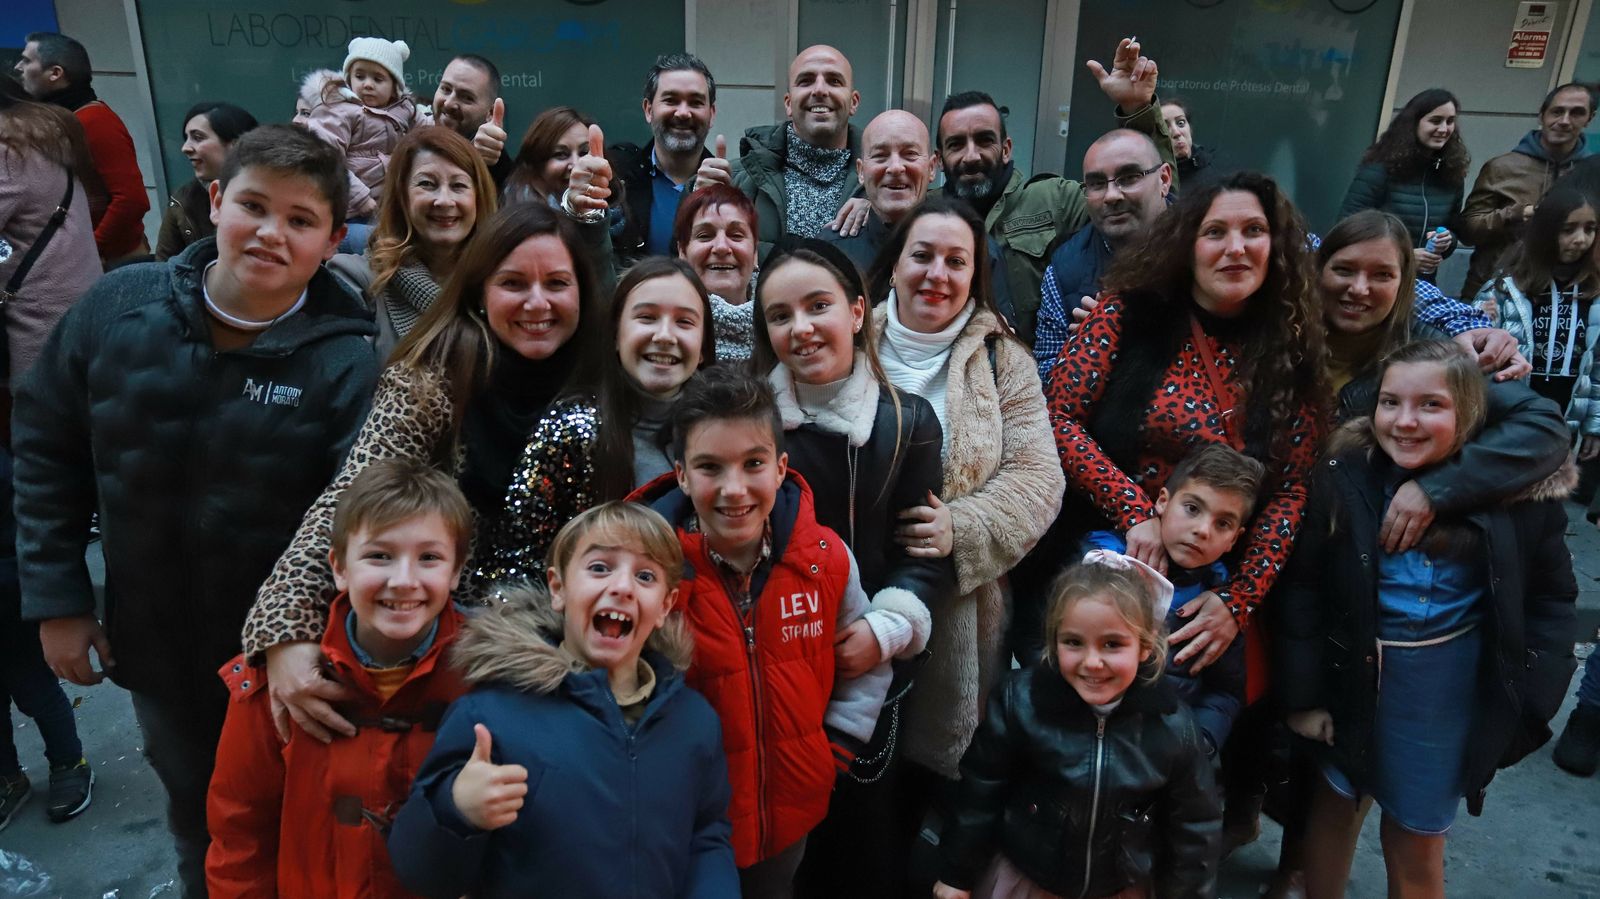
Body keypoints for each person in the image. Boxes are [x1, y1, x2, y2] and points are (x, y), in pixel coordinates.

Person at [14, 124, 378, 898]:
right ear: (216, 202)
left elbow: (355, 517)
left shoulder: (347, 359)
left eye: (301, 220)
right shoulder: (118, 308)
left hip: (288, 658)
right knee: (199, 820)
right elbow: (46, 445)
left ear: (331, 238)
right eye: (254, 205)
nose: (272, 233)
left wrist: (291, 633)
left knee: (295, 823)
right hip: (157, 647)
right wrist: (59, 598)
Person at [242, 202, 609, 747]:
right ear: (481, 294)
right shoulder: (433, 378)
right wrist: (286, 628)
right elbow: (355, 496)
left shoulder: (608, 374)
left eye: (557, 283)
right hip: (454, 644)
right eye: (513, 283)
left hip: (593, 635)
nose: (537, 302)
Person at [1279, 340, 1577, 899]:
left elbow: (1551, 601)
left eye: (1431, 406)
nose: (1406, 421)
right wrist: (1305, 695)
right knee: (1334, 807)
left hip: (1441, 700)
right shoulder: (1346, 476)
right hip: (1350, 683)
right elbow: (1305, 590)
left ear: (1469, 412)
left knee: (1417, 839)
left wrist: (1531, 700)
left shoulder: (1519, 496)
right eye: (1390, 403)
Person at [1045, 171, 1328, 701]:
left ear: (1277, 245)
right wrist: (1137, 513)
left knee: (1200, 732)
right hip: (1108, 565)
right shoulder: (1125, 312)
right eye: (1215, 232)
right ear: (1187, 244)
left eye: (1254, 231)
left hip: (1217, 584)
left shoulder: (1293, 346)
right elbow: (1057, 418)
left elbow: (1291, 488)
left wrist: (1238, 602)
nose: (1236, 248)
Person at [629, 366, 891, 897]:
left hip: (791, 819)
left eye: (753, 464)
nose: (734, 489)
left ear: (780, 467)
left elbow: (865, 663)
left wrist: (835, 749)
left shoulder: (825, 559)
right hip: (685, 827)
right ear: (680, 475)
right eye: (710, 467)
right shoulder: (642, 569)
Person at [387, 501, 738, 897]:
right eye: (600, 568)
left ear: (665, 606)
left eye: (644, 575)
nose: (622, 587)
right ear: (558, 589)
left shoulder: (694, 721)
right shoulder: (489, 715)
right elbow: (422, 874)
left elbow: (706, 837)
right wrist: (457, 811)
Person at [869, 198, 1067, 891]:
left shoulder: (1002, 359)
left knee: (927, 789)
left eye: (958, 261)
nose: (937, 273)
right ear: (894, 264)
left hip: (956, 615)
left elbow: (1041, 478)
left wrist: (964, 527)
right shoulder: (845, 337)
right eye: (922, 254)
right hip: (848, 595)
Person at [752, 239, 945, 896]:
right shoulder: (750, 423)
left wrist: (885, 630)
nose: (801, 328)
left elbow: (922, 552)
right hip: (772, 664)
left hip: (867, 668)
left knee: (857, 844)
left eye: (818, 306)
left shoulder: (908, 421)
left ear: (858, 311)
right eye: (780, 315)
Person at [205, 459, 472, 898]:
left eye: (429, 558)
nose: (403, 581)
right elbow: (240, 833)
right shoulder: (272, 690)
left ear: (456, 571)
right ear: (339, 567)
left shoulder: (488, 680)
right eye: (379, 556)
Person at [932, 552, 1221, 899]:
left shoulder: (1172, 725)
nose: (1092, 662)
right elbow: (979, 793)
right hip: (1027, 880)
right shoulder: (1020, 703)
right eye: (1073, 642)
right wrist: (957, 874)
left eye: (1112, 644)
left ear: (1145, 647)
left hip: (1119, 887)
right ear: (1054, 642)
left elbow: (1194, 828)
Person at [474, 256, 716, 586]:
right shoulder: (572, 430)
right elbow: (519, 563)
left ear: (703, 347)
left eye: (684, 323)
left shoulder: (720, 432)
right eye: (646, 318)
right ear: (616, 335)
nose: (664, 336)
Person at [935, 37, 1176, 344]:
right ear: (939, 159)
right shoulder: (924, 214)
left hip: (1033, 378)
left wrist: (1137, 110)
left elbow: (1157, 205)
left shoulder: (1055, 200)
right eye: (956, 145)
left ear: (1006, 148)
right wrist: (864, 200)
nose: (971, 156)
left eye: (984, 140)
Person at [1083, 443, 1258, 759]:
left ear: (1235, 539)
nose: (1202, 530)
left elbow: (1225, 692)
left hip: (1162, 762)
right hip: (1078, 746)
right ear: (1163, 501)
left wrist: (1199, 744)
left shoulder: (1220, 603)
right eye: (1192, 508)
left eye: (1223, 524)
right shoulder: (1099, 559)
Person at [325, 126, 497, 358]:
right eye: (427, 184)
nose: (444, 201)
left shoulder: (499, 283)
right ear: (401, 197)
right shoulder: (355, 278)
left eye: (458, 186)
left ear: (478, 198)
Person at [1474, 182, 1600, 461]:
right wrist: (1483, 317)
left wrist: (1595, 424)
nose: (1581, 239)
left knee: (1551, 485)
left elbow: (1599, 367)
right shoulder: (1507, 287)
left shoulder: (1595, 291)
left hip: (1568, 408)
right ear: (1545, 232)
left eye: (1589, 229)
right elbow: (1474, 346)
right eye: (1569, 230)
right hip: (1515, 402)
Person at [1034, 128, 1173, 379]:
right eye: (1097, 184)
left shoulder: (1204, 248)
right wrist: (1085, 347)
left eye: (1129, 177)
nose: (1111, 196)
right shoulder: (1065, 269)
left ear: (1163, 180)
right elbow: (1046, 374)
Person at [14, 31, 150, 264]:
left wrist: (91, 248)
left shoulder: (95, 121)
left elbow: (131, 200)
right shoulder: (66, 120)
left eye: (27, 61)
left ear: (55, 73)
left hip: (112, 264)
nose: (18, 67)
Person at [0, 76, 101, 382]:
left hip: (39, 315)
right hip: (77, 300)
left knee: (44, 417)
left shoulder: (8, 150)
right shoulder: (40, 136)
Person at [1461, 82, 1595, 299]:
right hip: (1495, 289)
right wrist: (1517, 214)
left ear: (1589, 118)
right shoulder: (1502, 167)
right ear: (1542, 115)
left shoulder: (1593, 172)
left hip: (1568, 295)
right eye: (1557, 111)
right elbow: (1468, 230)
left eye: (1577, 113)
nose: (1564, 121)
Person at [735, 44, 861, 249]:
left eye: (834, 81)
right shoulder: (739, 181)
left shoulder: (878, 186)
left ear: (854, 102)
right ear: (788, 103)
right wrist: (701, 198)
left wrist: (882, 209)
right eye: (806, 81)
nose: (820, 90)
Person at [1337, 88, 1468, 282]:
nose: (1444, 129)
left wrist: (1447, 242)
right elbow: (1347, 229)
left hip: (1422, 285)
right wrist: (1403, 257)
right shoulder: (1380, 170)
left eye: (1450, 121)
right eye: (1435, 120)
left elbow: (1454, 228)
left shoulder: (1451, 174)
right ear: (1413, 123)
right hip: (1377, 280)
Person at [611, 53, 733, 261]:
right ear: (649, 110)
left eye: (695, 102)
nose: (683, 113)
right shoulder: (615, 179)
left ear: (711, 114)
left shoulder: (734, 188)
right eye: (671, 100)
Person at [306, 36, 425, 227]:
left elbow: (430, 132)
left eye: (378, 79)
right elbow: (326, 157)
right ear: (348, 79)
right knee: (372, 243)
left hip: (389, 208)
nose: (367, 84)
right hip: (350, 212)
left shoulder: (405, 110)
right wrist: (360, 198)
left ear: (395, 87)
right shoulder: (339, 110)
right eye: (360, 76)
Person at [155, 101, 258, 261]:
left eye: (198, 138)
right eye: (186, 138)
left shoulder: (270, 194)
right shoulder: (184, 199)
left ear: (235, 144)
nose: (185, 148)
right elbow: (163, 266)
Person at [673, 184, 759, 361]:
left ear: (755, 253)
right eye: (705, 235)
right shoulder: (661, 330)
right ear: (682, 252)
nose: (721, 247)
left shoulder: (784, 331)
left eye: (736, 235)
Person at [427, 54, 513, 188]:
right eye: (446, 89)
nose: (449, 103)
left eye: (466, 97)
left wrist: (478, 160)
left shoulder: (497, 166)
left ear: (490, 113)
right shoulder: (406, 132)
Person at [1162, 95, 1224, 195]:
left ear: (1190, 129)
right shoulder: (1152, 181)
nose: (1176, 132)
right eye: (1164, 127)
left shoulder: (1214, 178)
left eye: (1181, 123)